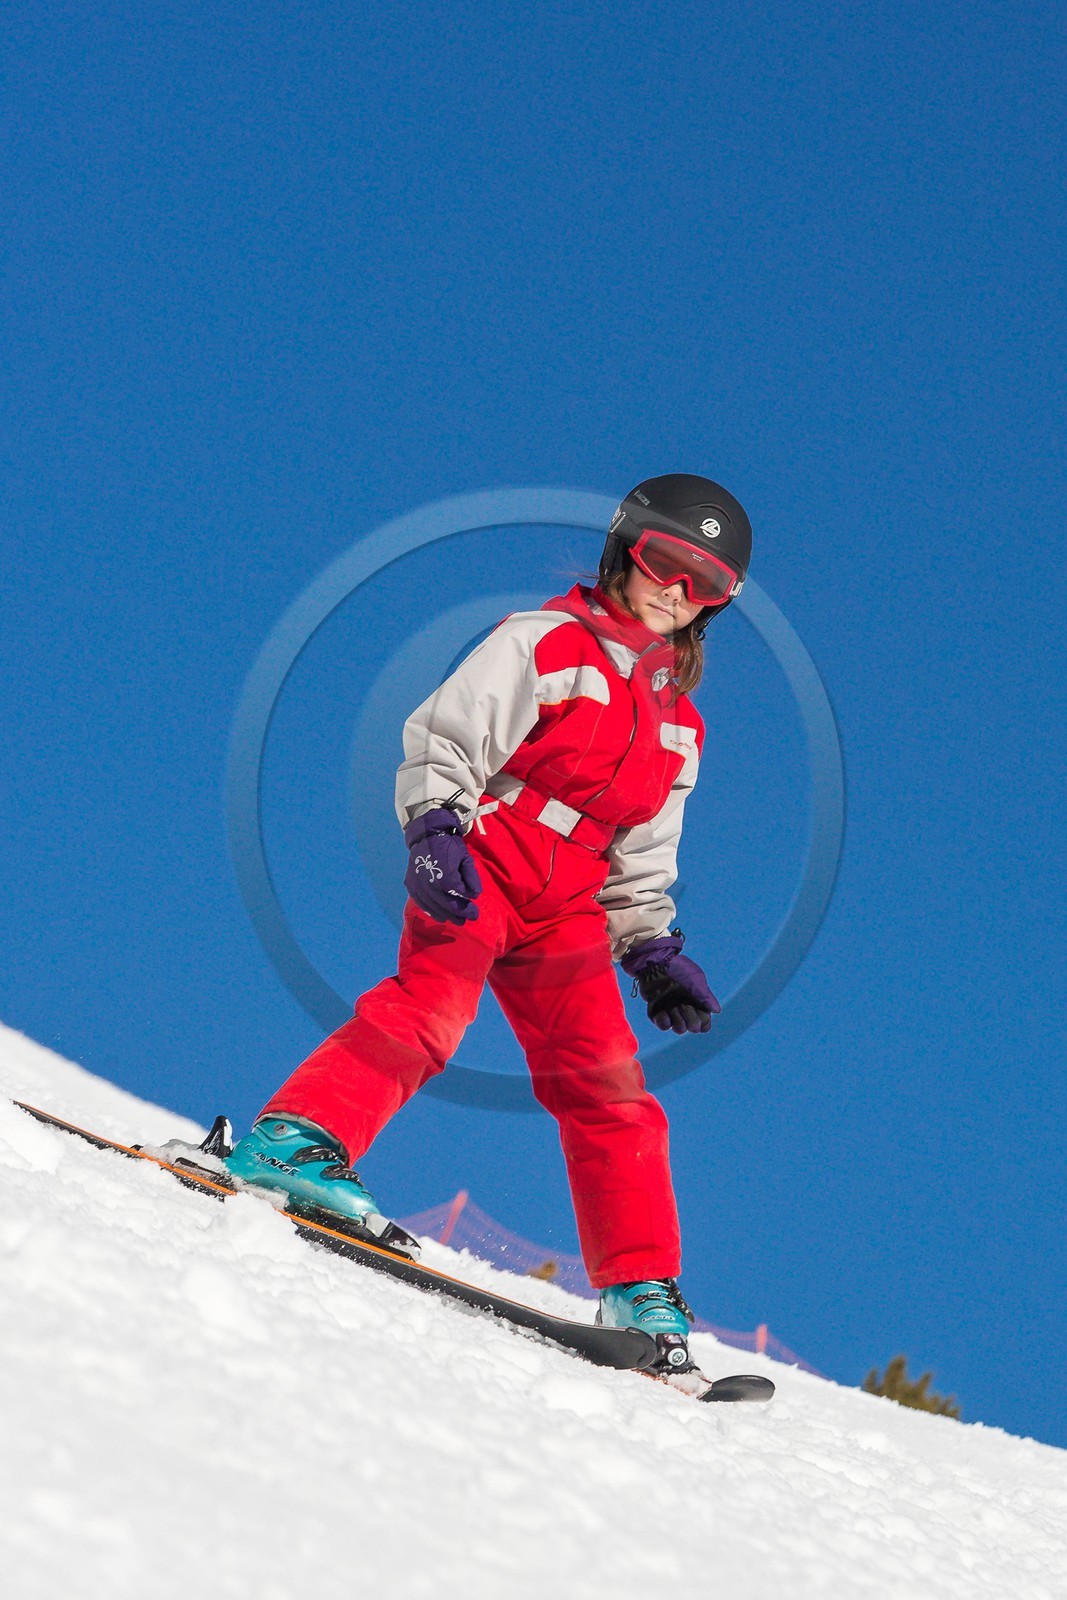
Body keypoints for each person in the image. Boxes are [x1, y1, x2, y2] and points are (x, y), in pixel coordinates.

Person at [225, 473, 752, 1371]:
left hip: (570, 904)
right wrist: (434, 828)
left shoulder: (680, 725)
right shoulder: (544, 642)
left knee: (611, 1089)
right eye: (664, 562)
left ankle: (640, 1288)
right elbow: (448, 734)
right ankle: (293, 1142)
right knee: (429, 1008)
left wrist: (650, 946)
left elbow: (643, 850)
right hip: (487, 855)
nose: (676, 590)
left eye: (703, 583)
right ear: (624, 549)